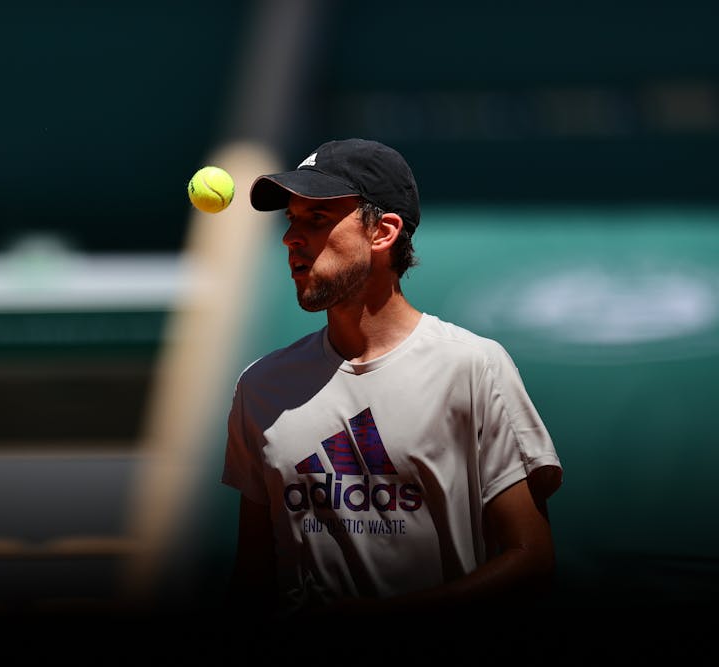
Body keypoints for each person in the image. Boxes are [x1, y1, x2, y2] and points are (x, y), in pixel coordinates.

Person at [221, 138, 563, 622]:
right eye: (291, 219)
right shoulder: (260, 385)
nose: (291, 238)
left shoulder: (473, 365)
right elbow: (251, 577)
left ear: (383, 232)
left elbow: (532, 560)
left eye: (316, 219)